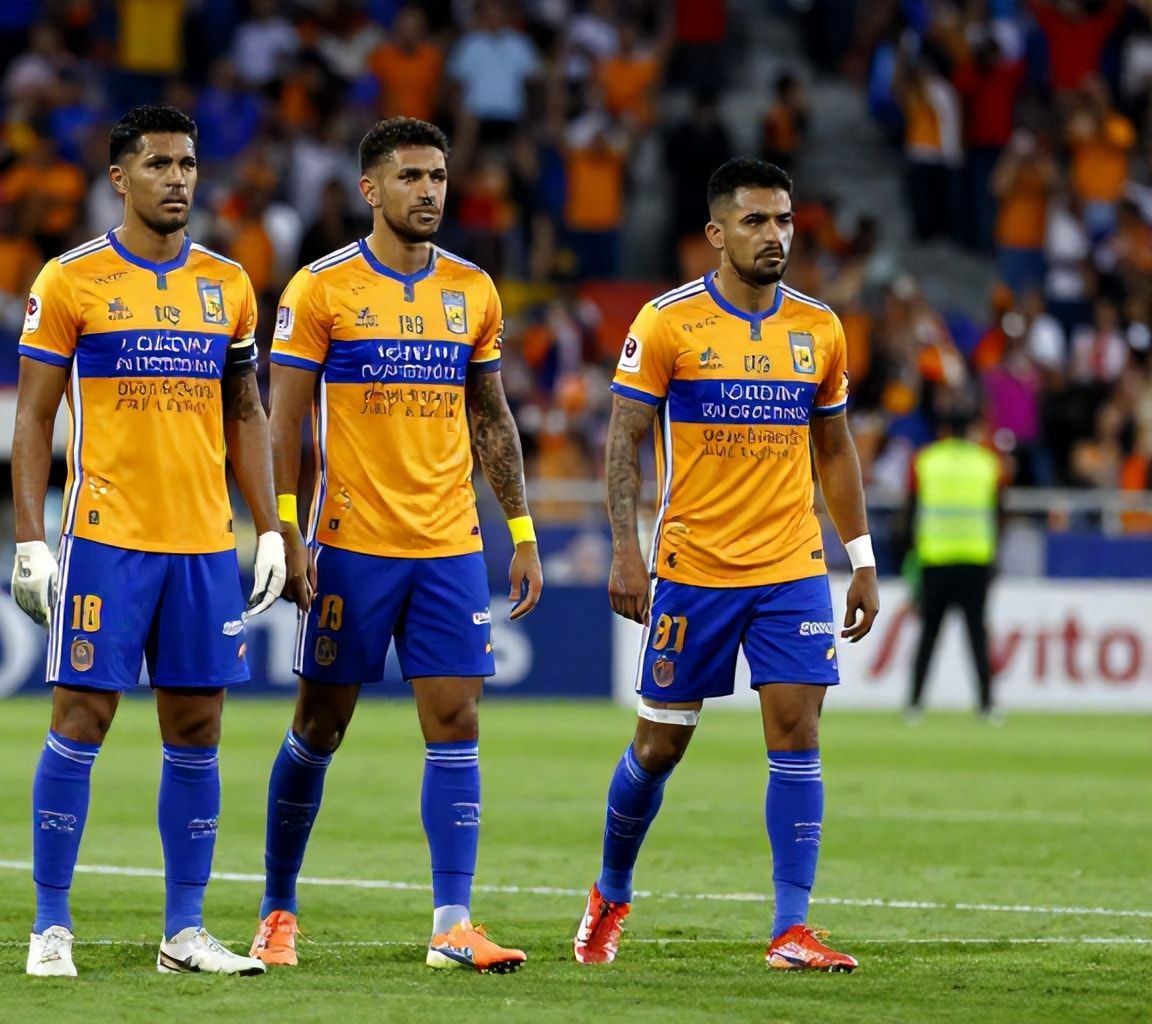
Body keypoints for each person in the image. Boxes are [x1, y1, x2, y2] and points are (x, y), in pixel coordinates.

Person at [248, 117, 542, 974]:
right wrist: (285, 528)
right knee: (320, 725)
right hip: (351, 543)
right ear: (369, 189)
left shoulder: (472, 290)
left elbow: (491, 418)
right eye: (411, 177)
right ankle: (276, 911)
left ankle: (453, 923)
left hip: (449, 544)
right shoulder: (321, 288)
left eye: (439, 176)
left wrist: (521, 531)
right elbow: (284, 418)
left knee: (457, 721)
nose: (429, 191)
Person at [573, 158, 879, 972]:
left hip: (790, 566)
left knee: (798, 731)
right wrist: (626, 548)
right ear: (716, 233)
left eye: (784, 220)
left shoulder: (819, 328)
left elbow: (835, 448)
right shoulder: (667, 322)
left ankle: (791, 928)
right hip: (695, 568)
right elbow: (623, 440)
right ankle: (610, 893)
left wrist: (860, 557)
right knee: (658, 748)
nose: (775, 235)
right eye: (755, 221)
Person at [8, 105, 292, 979]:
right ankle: (50, 927)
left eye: (187, 164)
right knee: (81, 719)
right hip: (107, 538)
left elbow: (246, 413)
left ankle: (185, 932)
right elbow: (33, 416)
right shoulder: (70, 279)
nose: (176, 179)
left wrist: (271, 526)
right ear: (119, 177)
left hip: (204, 543)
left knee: (198, 727)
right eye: (158, 164)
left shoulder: (228, 283)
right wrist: (29, 538)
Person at [905, 406, 1004, 723]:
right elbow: (998, 513)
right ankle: (987, 706)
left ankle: (914, 705)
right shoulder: (987, 463)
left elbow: (911, 511)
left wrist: (910, 553)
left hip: (935, 558)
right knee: (977, 635)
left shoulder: (927, 460)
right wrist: (994, 556)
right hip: (976, 558)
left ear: (944, 430)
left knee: (928, 635)